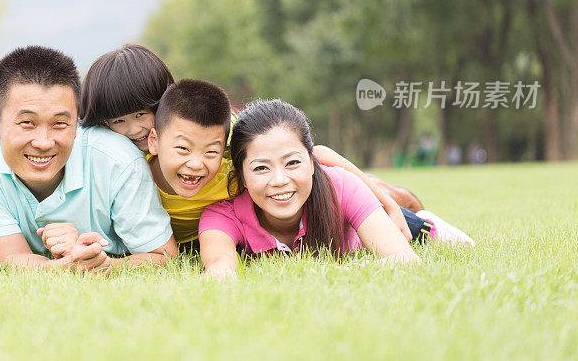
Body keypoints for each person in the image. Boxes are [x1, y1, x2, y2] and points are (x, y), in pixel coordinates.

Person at [80, 44, 427, 243]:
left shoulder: (215, 133)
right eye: (117, 121)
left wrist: (384, 203)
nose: (135, 130)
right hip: (220, 234)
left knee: (403, 217)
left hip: (281, 203)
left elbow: (315, 156)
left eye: (143, 113)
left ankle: (393, 194)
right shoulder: (120, 163)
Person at [0, 46, 177, 273]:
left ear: (77, 123)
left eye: (59, 123)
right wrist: (70, 265)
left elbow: (164, 256)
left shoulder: (120, 159)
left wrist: (107, 264)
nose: (44, 142)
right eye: (27, 123)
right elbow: (12, 257)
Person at [198, 100, 474, 279]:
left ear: (312, 162)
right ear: (242, 175)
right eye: (261, 168)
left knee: (410, 221)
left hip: (393, 221)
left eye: (293, 163)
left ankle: (427, 222)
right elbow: (219, 266)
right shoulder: (221, 216)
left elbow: (402, 259)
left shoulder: (339, 185)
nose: (279, 180)